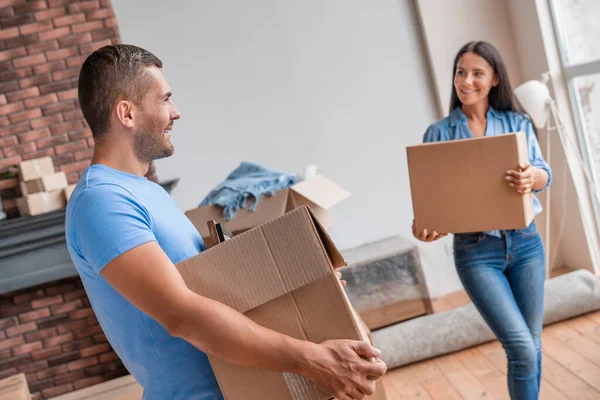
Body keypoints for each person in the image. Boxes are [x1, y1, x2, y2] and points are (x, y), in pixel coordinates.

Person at [65, 44, 386, 400]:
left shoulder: (147, 192)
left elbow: (213, 289)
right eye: (165, 99)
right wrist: (312, 360)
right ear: (126, 113)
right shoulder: (101, 201)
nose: (176, 112)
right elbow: (181, 314)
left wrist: (307, 287)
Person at [412, 41, 552, 400]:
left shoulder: (516, 123)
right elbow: (428, 208)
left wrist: (530, 177)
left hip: (526, 244)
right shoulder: (438, 133)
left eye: (477, 73)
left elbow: (544, 174)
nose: (466, 80)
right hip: (477, 254)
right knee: (521, 347)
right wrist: (423, 227)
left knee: (532, 347)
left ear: (494, 80)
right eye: (461, 72)